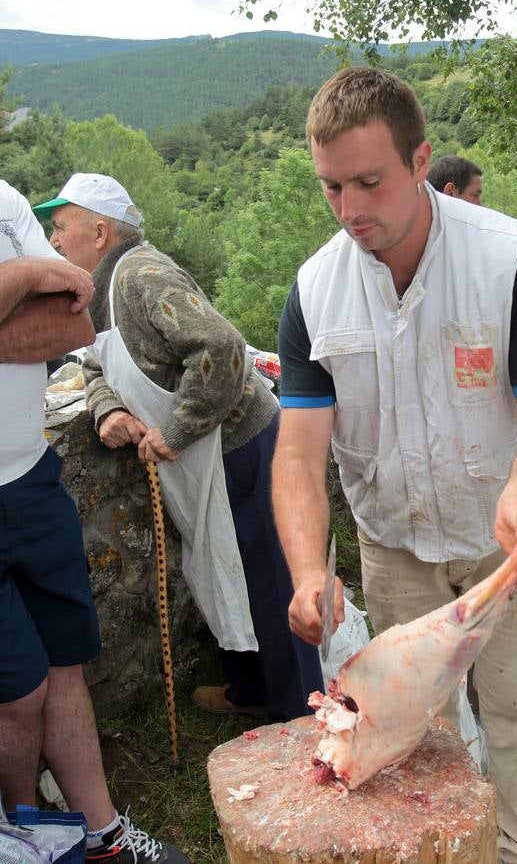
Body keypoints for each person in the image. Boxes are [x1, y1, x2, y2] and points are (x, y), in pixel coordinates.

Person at [273, 66, 517, 864]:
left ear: (419, 161)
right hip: (394, 548)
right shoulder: (313, 291)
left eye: (369, 182)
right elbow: (300, 453)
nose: (349, 211)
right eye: (331, 188)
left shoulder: (511, 261)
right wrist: (309, 572)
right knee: (412, 738)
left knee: (514, 721)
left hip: (502, 545)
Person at [33, 173, 323, 722]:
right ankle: (249, 690)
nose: (53, 240)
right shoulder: (102, 289)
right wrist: (108, 409)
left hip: (239, 445)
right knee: (215, 571)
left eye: (60, 227)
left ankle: (299, 719)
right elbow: (94, 363)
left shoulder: (142, 276)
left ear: (99, 232)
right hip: (200, 456)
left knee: (264, 580)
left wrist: (177, 429)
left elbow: (221, 348)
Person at [0, 180, 189, 863]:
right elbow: (48, 307)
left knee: (67, 662)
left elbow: (74, 327)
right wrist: (23, 276)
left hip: (33, 476)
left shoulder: (7, 203)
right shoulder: (22, 241)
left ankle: (102, 834)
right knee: (19, 692)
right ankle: (27, 837)